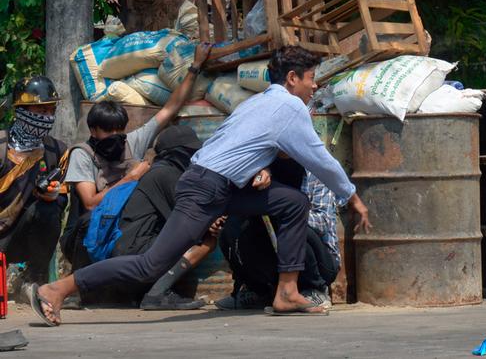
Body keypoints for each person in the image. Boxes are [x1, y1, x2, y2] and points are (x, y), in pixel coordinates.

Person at [28, 45, 372, 326]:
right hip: (206, 188)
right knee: (150, 264)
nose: (314, 87)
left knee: (292, 202)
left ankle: (286, 291)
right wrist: (352, 197)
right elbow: (318, 157)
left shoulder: (256, 102)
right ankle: (58, 288)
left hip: (219, 186)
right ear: (293, 78)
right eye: (311, 79)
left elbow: (245, 146)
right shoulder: (289, 107)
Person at [59, 43, 213, 271]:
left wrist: (194, 67)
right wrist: (131, 178)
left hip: (125, 226)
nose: (115, 136)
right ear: (93, 131)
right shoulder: (82, 154)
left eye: (119, 130)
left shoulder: (132, 141)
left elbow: (169, 109)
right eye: (107, 131)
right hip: (90, 232)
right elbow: (90, 203)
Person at [111, 125, 223, 310]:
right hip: (135, 248)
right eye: (189, 152)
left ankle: (151, 292)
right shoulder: (166, 174)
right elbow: (191, 218)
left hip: (131, 248)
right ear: (177, 153)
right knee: (206, 243)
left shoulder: (161, 170)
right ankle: (156, 295)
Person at [216, 170, 340, 310]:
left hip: (321, 262)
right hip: (277, 255)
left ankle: (314, 289)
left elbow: (323, 222)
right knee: (233, 226)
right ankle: (258, 291)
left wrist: (288, 213)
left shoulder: (317, 173)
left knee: (292, 225)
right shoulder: (262, 173)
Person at [0, 76, 67, 287]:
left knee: (48, 209)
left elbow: (63, 199)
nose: (47, 118)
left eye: (51, 111)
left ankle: (34, 277)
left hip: (26, 234)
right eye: (40, 112)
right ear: (20, 112)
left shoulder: (57, 151)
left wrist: (54, 195)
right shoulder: (1, 147)